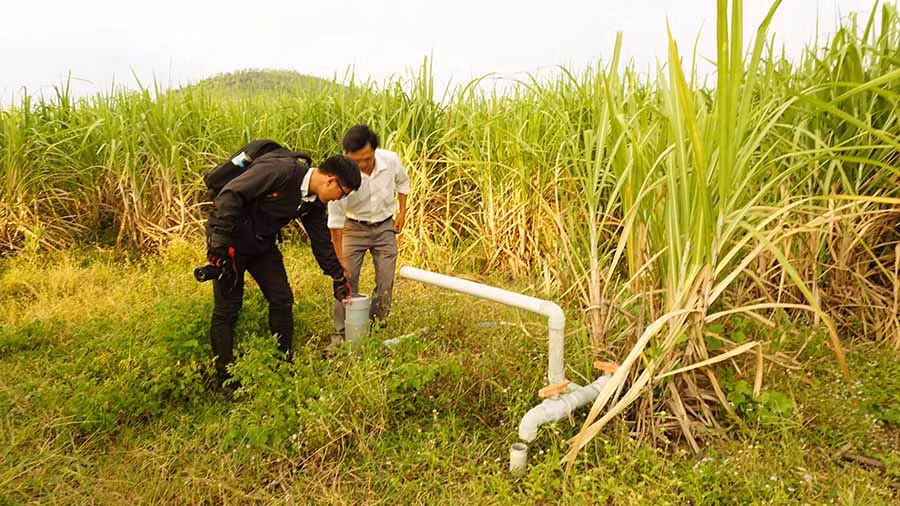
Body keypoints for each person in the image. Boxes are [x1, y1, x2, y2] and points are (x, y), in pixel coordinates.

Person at [205, 150, 360, 392]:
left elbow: (321, 243)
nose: (338, 200)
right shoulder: (281, 171)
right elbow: (231, 194)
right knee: (227, 308)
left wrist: (338, 277)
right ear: (331, 180)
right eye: (342, 194)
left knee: (282, 298)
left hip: (261, 244)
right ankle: (224, 377)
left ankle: (283, 363)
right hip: (230, 243)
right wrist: (219, 242)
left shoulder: (313, 204)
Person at [327, 125, 410, 346]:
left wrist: (402, 213)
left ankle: (376, 328)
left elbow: (403, 183)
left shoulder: (390, 160)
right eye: (356, 161)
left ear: (374, 150)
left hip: (384, 227)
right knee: (346, 280)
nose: (362, 165)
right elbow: (335, 224)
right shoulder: (340, 174)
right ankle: (340, 335)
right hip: (354, 228)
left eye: (366, 158)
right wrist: (340, 259)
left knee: (385, 280)